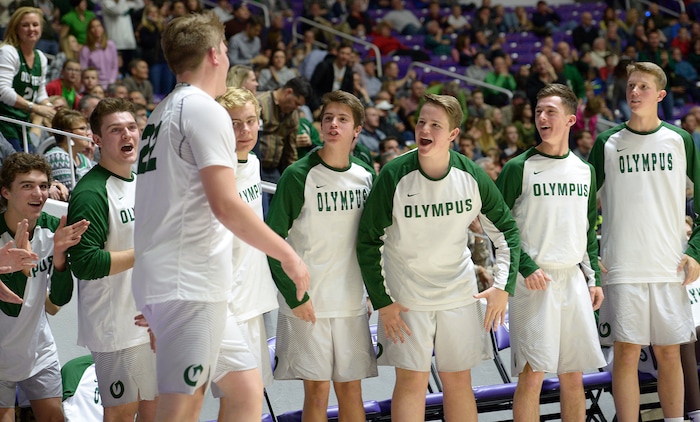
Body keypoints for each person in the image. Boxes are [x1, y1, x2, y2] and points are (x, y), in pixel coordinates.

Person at [131, 13, 310, 420]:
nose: (228, 59)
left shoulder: (161, 113)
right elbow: (227, 205)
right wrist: (289, 255)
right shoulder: (203, 110)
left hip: (178, 281)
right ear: (214, 54)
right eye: (226, 50)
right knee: (181, 406)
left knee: (246, 389)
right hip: (188, 283)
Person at [356, 93, 521, 422]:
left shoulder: (472, 176)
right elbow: (367, 241)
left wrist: (504, 287)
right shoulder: (394, 175)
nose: (425, 129)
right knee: (411, 380)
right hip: (406, 297)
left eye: (435, 124)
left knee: (458, 380)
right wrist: (382, 299)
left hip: (458, 293)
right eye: (420, 122)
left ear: (453, 135)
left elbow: (508, 233)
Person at [588, 61, 700, 422]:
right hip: (621, 265)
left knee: (669, 354)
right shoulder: (607, 143)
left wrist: (696, 251)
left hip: (670, 265)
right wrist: (590, 254)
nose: (634, 92)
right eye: (631, 86)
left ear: (661, 95)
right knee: (625, 354)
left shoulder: (680, 140)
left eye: (643, 87)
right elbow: (583, 206)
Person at [496, 83, 605, 421]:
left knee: (573, 376)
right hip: (533, 281)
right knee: (533, 376)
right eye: (538, 111)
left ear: (572, 120)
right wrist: (525, 266)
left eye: (551, 112)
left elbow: (588, 230)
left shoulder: (585, 170)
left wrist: (594, 279)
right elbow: (496, 224)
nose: (542, 117)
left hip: (572, 279)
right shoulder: (518, 167)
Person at [267, 90, 377, 421]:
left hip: (351, 302)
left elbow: (371, 242)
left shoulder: (366, 175)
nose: (333, 124)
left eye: (342, 119)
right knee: (316, 393)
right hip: (308, 303)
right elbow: (273, 243)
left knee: (351, 391)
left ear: (357, 129)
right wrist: (294, 296)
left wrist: (373, 292)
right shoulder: (298, 175)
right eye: (328, 117)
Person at [66, 97, 157, 421]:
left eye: (131, 127)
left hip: (144, 318)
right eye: (116, 130)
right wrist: (144, 255)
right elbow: (85, 263)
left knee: (154, 407)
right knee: (120, 412)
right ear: (97, 140)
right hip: (113, 325)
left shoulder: (142, 181)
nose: (127, 135)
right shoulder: (92, 192)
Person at [0, 152, 89, 422]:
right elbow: (10, 304)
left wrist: (60, 255)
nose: (38, 193)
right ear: (5, 191)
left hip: (38, 350)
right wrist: (20, 268)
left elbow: (60, 299)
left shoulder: (54, 229)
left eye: (42, 185)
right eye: (26, 185)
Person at [212, 87, 280, 421]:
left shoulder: (252, 163)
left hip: (253, 301)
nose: (245, 131)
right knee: (241, 396)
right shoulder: (213, 173)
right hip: (225, 304)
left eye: (251, 121)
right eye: (235, 124)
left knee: (247, 400)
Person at [0, 7, 56, 152]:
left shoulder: (41, 57)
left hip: (22, 123)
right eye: (25, 25)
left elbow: (39, 92)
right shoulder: (8, 51)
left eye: (35, 25)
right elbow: (3, 91)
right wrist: (36, 108)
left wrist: (50, 107)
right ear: (16, 28)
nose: (31, 29)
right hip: (4, 121)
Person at [256, 76, 312, 211]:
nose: (296, 108)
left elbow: (290, 148)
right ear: (288, 92)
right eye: (296, 103)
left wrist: (292, 174)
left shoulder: (293, 115)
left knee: (281, 207)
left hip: (275, 168)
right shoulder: (260, 104)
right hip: (256, 166)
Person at [44, 109, 93, 194]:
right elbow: (70, 194)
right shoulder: (58, 156)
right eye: (82, 128)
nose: (88, 133)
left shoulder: (83, 159)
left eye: (87, 128)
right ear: (68, 133)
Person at [79, 18, 118, 90]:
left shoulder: (111, 45)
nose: (96, 29)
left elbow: (114, 66)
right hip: (93, 85)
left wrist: (111, 81)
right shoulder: (86, 49)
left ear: (103, 28)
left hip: (110, 84)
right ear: (89, 31)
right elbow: (84, 70)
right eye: (93, 27)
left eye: (98, 26)